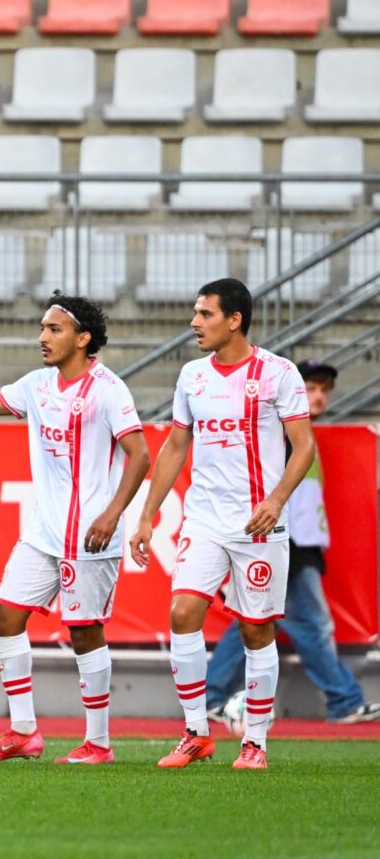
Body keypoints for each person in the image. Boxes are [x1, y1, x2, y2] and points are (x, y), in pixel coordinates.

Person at [0, 294, 150, 765]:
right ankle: (23, 731)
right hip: (44, 533)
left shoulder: (109, 389)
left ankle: (99, 742)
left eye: (54, 329)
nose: (42, 337)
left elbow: (140, 455)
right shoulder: (37, 385)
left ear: (82, 339)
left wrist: (113, 513)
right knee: (5, 617)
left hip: (90, 535)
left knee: (84, 631)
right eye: (42, 327)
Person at [130, 278, 316, 771]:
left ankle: (255, 742)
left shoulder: (278, 373)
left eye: (205, 314)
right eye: (195, 313)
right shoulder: (192, 376)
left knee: (256, 630)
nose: (195, 322)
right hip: (204, 519)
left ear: (235, 320)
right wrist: (147, 515)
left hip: (258, 523)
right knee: (182, 613)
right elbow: (176, 446)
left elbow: (304, 446)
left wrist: (277, 500)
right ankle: (196, 733)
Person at [204, 359, 380, 725]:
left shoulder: (296, 433)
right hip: (288, 545)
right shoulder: (282, 433)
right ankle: (344, 701)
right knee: (311, 627)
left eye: (324, 390)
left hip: (288, 544)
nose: (319, 396)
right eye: (310, 388)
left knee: (253, 623)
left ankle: (211, 697)